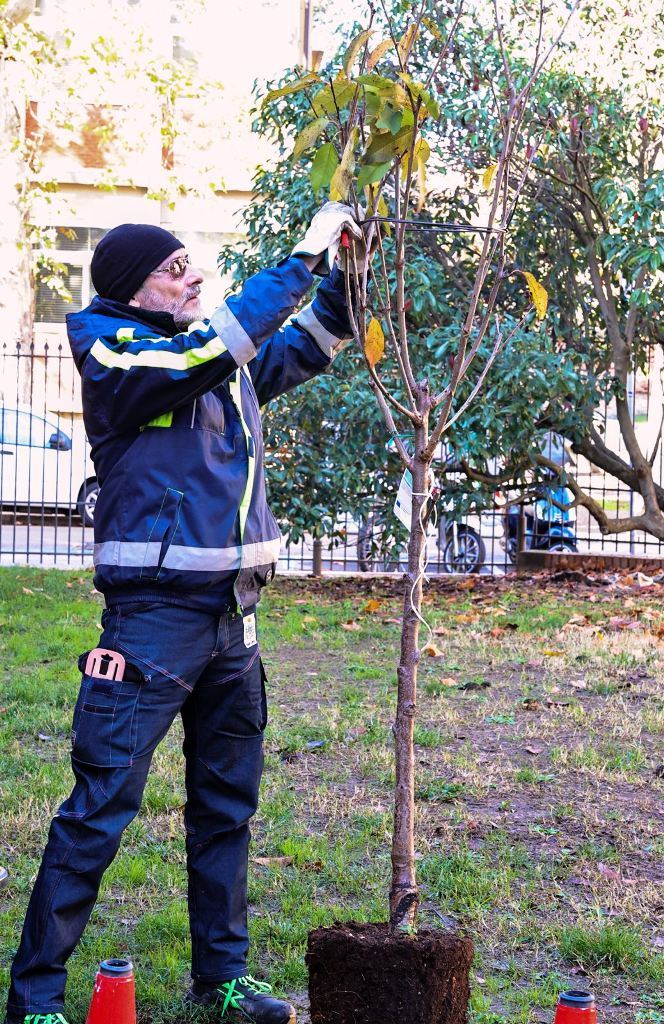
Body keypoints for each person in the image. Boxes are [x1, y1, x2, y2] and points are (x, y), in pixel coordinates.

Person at [5, 204, 363, 1024]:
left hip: (234, 620)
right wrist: (300, 255)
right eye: (175, 268)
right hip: (151, 627)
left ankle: (223, 980)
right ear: (135, 286)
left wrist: (347, 273)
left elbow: (307, 345)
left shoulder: (214, 361)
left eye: (192, 264)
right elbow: (207, 350)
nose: (194, 276)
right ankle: (34, 1001)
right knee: (98, 811)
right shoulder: (114, 347)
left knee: (227, 810)